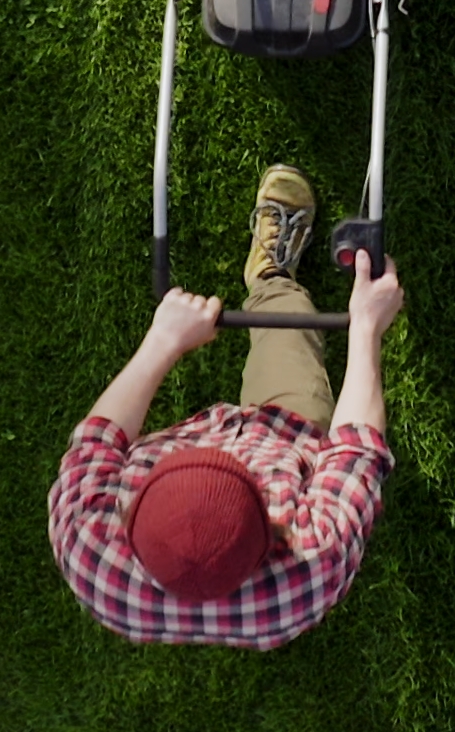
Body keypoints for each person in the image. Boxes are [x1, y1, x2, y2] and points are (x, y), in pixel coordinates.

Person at [48, 164, 405, 647]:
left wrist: (163, 341)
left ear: (128, 519)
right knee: (288, 330)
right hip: (280, 437)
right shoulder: (312, 562)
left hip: (202, 454)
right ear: (275, 531)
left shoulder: (90, 553)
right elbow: (356, 450)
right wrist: (366, 329)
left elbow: (96, 440)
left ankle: (271, 276)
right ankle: (273, 277)